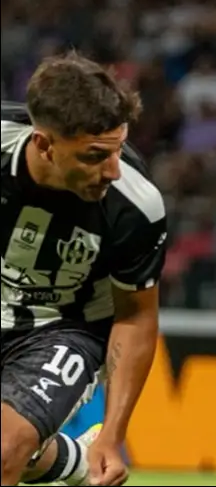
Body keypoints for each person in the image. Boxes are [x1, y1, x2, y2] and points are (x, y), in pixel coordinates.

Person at [1, 54, 168, 486]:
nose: (112, 171)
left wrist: (112, 436)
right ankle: (68, 462)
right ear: (44, 145)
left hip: (64, 327)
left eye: (117, 149)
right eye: (95, 156)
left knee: (3, 450)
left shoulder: (135, 205)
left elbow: (136, 316)